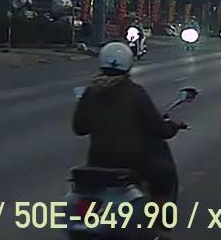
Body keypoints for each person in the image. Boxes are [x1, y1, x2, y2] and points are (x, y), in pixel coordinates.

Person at [72, 43, 186, 206]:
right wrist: (173, 126)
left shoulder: (89, 93)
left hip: (97, 161)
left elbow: (79, 128)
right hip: (133, 162)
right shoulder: (135, 93)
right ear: (128, 65)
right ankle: (160, 217)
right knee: (165, 174)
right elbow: (159, 128)